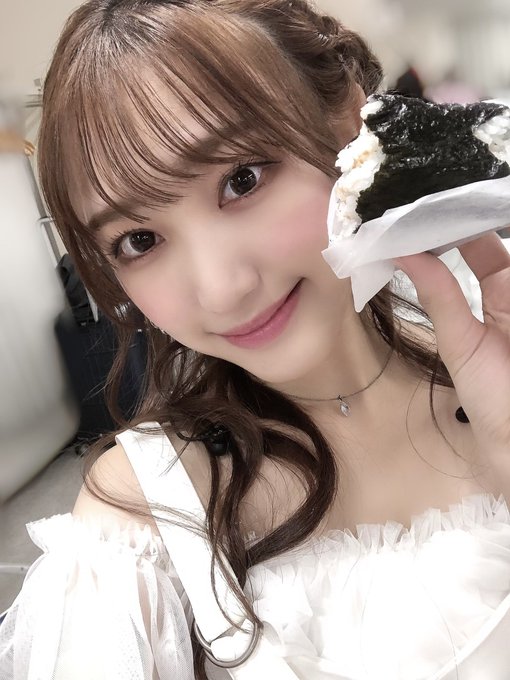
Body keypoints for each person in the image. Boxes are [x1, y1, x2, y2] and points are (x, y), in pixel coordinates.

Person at [2, 0, 510, 678]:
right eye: (139, 240)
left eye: (241, 180)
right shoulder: (139, 529)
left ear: (348, 125)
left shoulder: (491, 350)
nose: (222, 289)